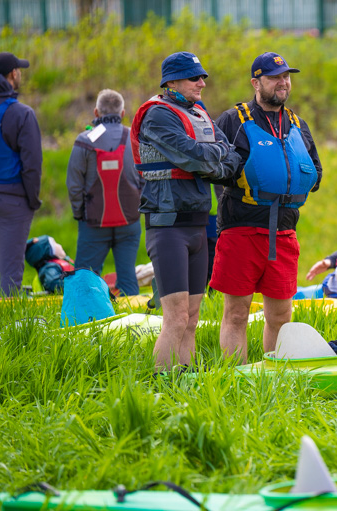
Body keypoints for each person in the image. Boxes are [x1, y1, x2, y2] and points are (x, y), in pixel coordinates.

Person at [131, 51, 241, 371]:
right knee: (175, 318)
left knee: (192, 319)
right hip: (167, 226)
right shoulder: (158, 115)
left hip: (197, 224)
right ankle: (161, 384)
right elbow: (191, 157)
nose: (202, 83)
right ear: (172, 82)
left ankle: (186, 380)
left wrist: (211, 159)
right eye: (195, 77)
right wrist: (212, 160)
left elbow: (231, 160)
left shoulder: (200, 114)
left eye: (202, 76)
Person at [212, 52, 322, 364]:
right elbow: (218, 171)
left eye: (286, 76)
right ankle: (236, 376)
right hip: (241, 229)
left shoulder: (297, 123)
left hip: (285, 232)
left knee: (281, 316)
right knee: (236, 313)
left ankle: (270, 376)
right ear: (256, 83)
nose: (283, 82)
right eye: (275, 77)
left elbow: (315, 171)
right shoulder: (232, 120)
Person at [66, 89, 143, 296]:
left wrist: (80, 213)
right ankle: (132, 320)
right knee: (127, 278)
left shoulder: (84, 139)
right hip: (129, 221)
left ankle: (82, 320)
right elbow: (146, 178)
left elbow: (74, 184)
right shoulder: (135, 138)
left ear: (96, 112)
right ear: (123, 113)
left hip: (94, 221)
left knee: (85, 277)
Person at [0, 52, 42, 296]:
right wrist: (32, 199)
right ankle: (7, 330)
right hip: (12, 199)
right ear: (13, 74)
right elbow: (32, 164)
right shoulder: (21, 113)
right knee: (10, 274)